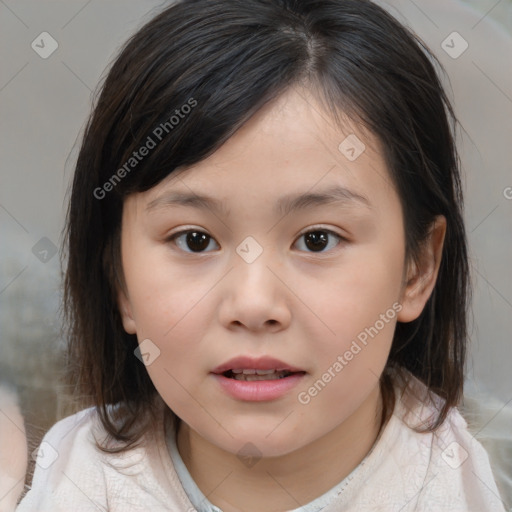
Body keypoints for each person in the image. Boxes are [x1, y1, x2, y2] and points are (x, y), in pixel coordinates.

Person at [15, 0, 507, 510]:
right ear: (117, 277)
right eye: (195, 240)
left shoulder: (462, 487)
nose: (253, 305)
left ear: (417, 269)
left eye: (317, 239)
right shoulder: (74, 484)